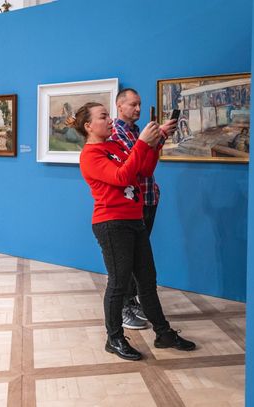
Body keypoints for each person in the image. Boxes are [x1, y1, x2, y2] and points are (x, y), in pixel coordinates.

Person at [69, 102, 195, 361]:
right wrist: (141, 143)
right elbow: (122, 177)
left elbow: (143, 170)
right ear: (89, 126)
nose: (110, 120)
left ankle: (163, 333)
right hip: (111, 224)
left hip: (134, 219)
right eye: (104, 116)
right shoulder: (90, 155)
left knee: (147, 281)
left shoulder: (115, 146)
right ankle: (113, 338)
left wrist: (154, 144)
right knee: (119, 283)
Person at [110, 88, 176, 330]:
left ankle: (134, 301)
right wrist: (155, 138)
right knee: (126, 259)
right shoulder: (115, 133)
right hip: (132, 202)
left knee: (139, 257)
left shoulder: (138, 131)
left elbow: (147, 164)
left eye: (139, 104)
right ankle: (124, 306)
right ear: (120, 106)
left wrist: (159, 137)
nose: (138, 108)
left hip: (149, 198)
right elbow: (134, 167)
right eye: (133, 104)